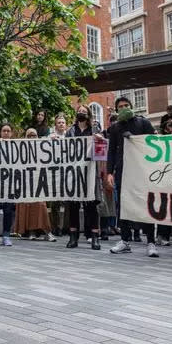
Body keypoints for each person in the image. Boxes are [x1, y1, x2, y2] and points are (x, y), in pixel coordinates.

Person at [106, 96, 158, 257]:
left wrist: (135, 140)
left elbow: (154, 143)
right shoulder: (115, 128)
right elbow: (112, 151)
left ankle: (151, 242)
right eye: (120, 106)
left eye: (126, 105)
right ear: (116, 110)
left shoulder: (143, 123)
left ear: (131, 106)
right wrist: (109, 172)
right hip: (123, 172)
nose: (123, 108)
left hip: (142, 171)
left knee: (145, 204)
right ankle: (125, 240)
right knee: (123, 206)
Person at [65, 106, 101, 250]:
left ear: (88, 115)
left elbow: (101, 152)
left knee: (92, 207)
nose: (81, 113)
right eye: (79, 111)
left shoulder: (95, 129)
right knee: (73, 206)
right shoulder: (70, 131)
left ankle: (94, 237)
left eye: (84, 112)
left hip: (90, 172)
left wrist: (100, 140)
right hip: (74, 173)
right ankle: (73, 237)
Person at [13, 128, 56, 242]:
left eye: (34, 135)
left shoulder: (41, 148)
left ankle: (48, 232)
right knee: (28, 206)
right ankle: (31, 232)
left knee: (41, 205)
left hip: (38, 181)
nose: (32, 138)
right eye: (29, 135)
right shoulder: (21, 149)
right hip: (25, 182)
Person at [48, 115, 68, 235]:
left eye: (63, 122)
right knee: (54, 203)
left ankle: (65, 227)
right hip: (54, 173)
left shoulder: (70, 136)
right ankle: (56, 227)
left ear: (66, 125)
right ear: (55, 125)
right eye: (59, 122)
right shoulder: (51, 137)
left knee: (67, 203)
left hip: (67, 174)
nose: (61, 124)